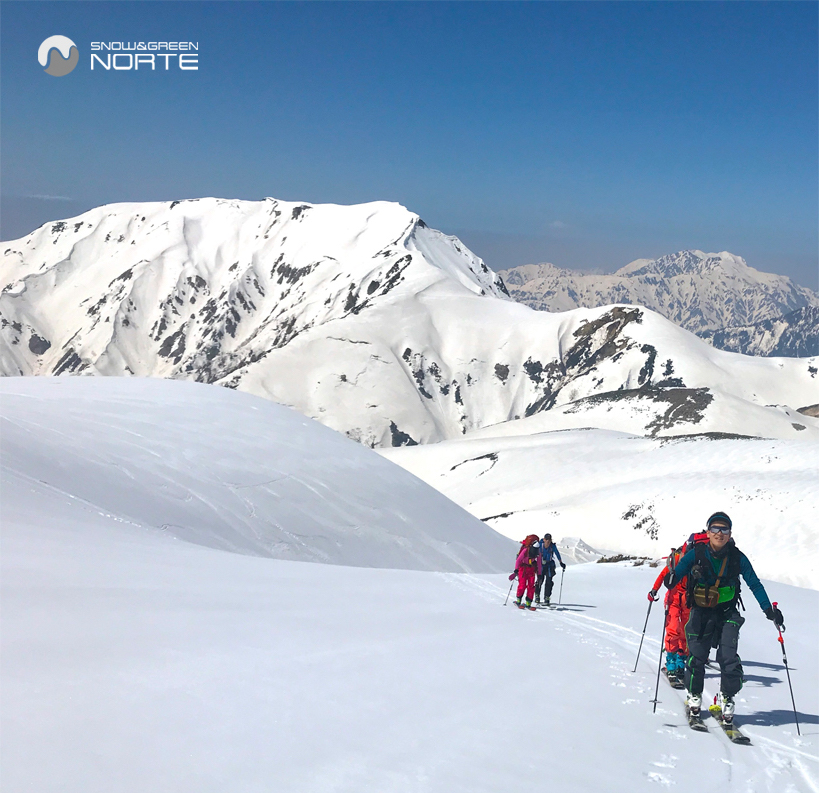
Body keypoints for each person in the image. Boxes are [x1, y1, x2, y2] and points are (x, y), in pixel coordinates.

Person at [667, 511, 784, 724]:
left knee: (729, 659)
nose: (720, 533)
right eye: (715, 529)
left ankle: (726, 696)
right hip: (701, 612)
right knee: (697, 656)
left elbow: (754, 584)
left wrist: (769, 611)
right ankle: (694, 696)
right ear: (708, 531)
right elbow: (680, 570)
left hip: (727, 613)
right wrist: (671, 578)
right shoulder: (697, 553)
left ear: (730, 533)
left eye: (724, 529)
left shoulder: (737, 557)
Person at [647, 530, 707, 686]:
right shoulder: (676, 560)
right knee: (673, 629)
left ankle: (680, 663)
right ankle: (672, 664)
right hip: (674, 600)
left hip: (688, 600)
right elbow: (663, 575)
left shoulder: (698, 561)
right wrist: (654, 590)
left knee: (685, 632)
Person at [510, 534, 541, 610]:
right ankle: (518, 601)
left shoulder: (537, 552)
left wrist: (539, 574)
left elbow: (539, 563)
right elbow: (519, 560)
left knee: (531, 586)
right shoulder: (525, 550)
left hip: (531, 569)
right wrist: (516, 569)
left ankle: (528, 602)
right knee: (522, 585)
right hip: (523, 569)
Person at [535, 533, 565, 607]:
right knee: (539, 580)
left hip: (549, 565)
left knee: (549, 582)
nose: (548, 541)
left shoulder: (552, 546)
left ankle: (547, 597)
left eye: (549, 540)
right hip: (541, 565)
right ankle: (537, 595)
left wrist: (561, 562)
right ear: (544, 539)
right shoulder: (540, 545)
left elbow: (557, 553)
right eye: (547, 540)